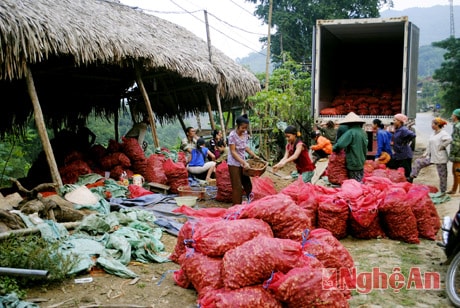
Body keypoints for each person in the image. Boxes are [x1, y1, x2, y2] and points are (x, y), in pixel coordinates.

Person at [408, 118, 452, 194]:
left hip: (440, 157)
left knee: (442, 175)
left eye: (433, 124)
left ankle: (443, 191)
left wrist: (442, 146)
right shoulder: (433, 133)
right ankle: (411, 177)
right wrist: (425, 154)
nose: (432, 125)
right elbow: (429, 145)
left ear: (438, 125)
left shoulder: (443, 133)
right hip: (431, 157)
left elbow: (449, 139)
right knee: (418, 162)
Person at [227, 114, 259, 205]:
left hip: (243, 161)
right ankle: (236, 207)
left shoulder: (245, 134)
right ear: (238, 126)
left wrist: (253, 155)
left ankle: (251, 203)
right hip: (234, 163)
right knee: (237, 187)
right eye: (242, 128)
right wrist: (243, 162)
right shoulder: (232, 135)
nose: (244, 130)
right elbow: (233, 152)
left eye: (246, 128)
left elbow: (245, 147)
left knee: (247, 184)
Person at [332, 112, 368, 182]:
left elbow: (340, 144)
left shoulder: (350, 132)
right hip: (361, 161)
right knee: (360, 182)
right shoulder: (363, 132)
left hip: (353, 162)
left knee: (353, 184)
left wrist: (333, 149)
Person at [387, 113, 416, 180]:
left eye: (395, 120)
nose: (393, 122)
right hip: (398, 154)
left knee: (407, 173)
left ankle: (408, 186)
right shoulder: (398, 129)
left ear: (399, 121)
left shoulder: (403, 129)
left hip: (405, 155)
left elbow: (412, 135)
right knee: (390, 167)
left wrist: (405, 141)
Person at [448, 108, 460, 194]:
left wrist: (452, 153)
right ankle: (454, 189)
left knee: (457, 173)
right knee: (455, 172)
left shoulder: (457, 127)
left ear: (456, 116)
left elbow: (456, 142)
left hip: (458, 154)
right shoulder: (457, 125)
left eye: (453, 114)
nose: (451, 116)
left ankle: (456, 190)